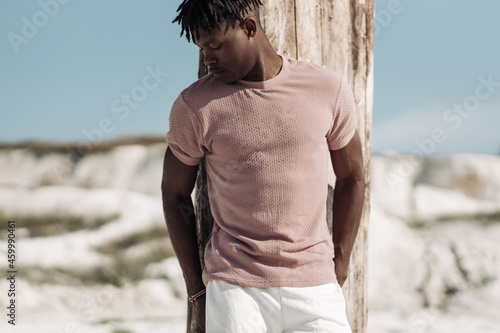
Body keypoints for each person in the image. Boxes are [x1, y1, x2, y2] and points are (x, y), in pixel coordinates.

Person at [161, 0, 365, 332]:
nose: (208, 59)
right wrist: (196, 290)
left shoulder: (326, 88)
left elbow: (353, 176)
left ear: (249, 28)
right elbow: (174, 195)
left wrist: (339, 265)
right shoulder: (196, 106)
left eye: (215, 45)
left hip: (315, 286)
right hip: (235, 287)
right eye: (202, 48)